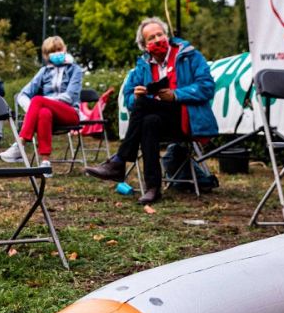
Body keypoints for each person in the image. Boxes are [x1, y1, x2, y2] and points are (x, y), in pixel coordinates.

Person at [84, 17, 219, 205]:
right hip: (158, 119)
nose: (157, 39)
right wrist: (136, 96)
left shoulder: (190, 56)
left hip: (186, 118)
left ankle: (120, 161)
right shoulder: (142, 65)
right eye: (151, 38)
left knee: (142, 107)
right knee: (149, 120)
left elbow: (207, 87)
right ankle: (153, 188)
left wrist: (175, 95)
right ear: (144, 45)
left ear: (167, 36)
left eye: (160, 34)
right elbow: (128, 96)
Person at [0, 36, 81, 172]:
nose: (56, 53)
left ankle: (20, 145)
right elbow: (22, 95)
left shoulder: (75, 70)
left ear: (65, 49)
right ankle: (45, 163)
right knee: (43, 112)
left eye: (59, 49)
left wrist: (43, 102)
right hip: (48, 115)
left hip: (69, 113)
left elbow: (70, 96)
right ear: (46, 55)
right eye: (52, 51)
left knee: (38, 100)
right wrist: (33, 109)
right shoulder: (44, 71)